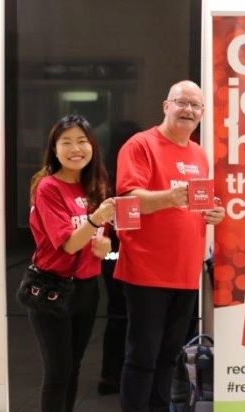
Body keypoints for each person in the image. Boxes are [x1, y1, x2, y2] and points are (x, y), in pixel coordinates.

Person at [114, 80, 225, 412]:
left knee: (169, 357)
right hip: (146, 271)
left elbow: (195, 206)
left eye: (196, 106)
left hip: (185, 273)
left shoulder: (200, 155)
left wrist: (213, 214)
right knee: (142, 358)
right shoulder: (140, 145)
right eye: (182, 102)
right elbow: (129, 200)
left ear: (202, 114)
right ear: (166, 105)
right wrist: (172, 196)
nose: (188, 110)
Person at [28, 114, 115, 412]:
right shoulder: (48, 187)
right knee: (57, 373)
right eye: (66, 142)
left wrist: (105, 245)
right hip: (51, 287)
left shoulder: (96, 185)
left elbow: (97, 242)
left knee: (74, 367)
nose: (75, 148)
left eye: (82, 141)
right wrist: (96, 220)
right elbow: (69, 243)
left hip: (87, 288)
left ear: (92, 146)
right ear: (54, 149)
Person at [98, 120, 142, 396]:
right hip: (127, 244)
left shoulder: (102, 174)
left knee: (117, 313)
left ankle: (109, 377)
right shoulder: (130, 173)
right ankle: (125, 374)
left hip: (108, 246)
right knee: (132, 313)